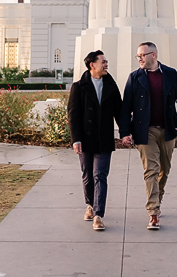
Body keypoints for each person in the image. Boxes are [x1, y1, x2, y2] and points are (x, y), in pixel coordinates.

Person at [118, 42, 177, 230]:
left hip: (168, 129)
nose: (139, 58)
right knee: (151, 169)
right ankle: (153, 212)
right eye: (138, 56)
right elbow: (126, 107)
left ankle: (158, 198)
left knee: (164, 169)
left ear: (154, 55)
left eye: (143, 54)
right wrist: (125, 132)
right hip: (144, 130)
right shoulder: (134, 77)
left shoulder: (171, 74)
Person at [67, 49, 122, 231]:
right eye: (103, 62)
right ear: (92, 65)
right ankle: (90, 204)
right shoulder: (78, 86)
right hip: (85, 139)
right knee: (87, 175)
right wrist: (76, 140)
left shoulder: (111, 86)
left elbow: (119, 112)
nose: (106, 64)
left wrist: (125, 132)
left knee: (100, 175)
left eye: (106, 62)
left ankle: (98, 214)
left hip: (104, 138)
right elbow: (73, 115)